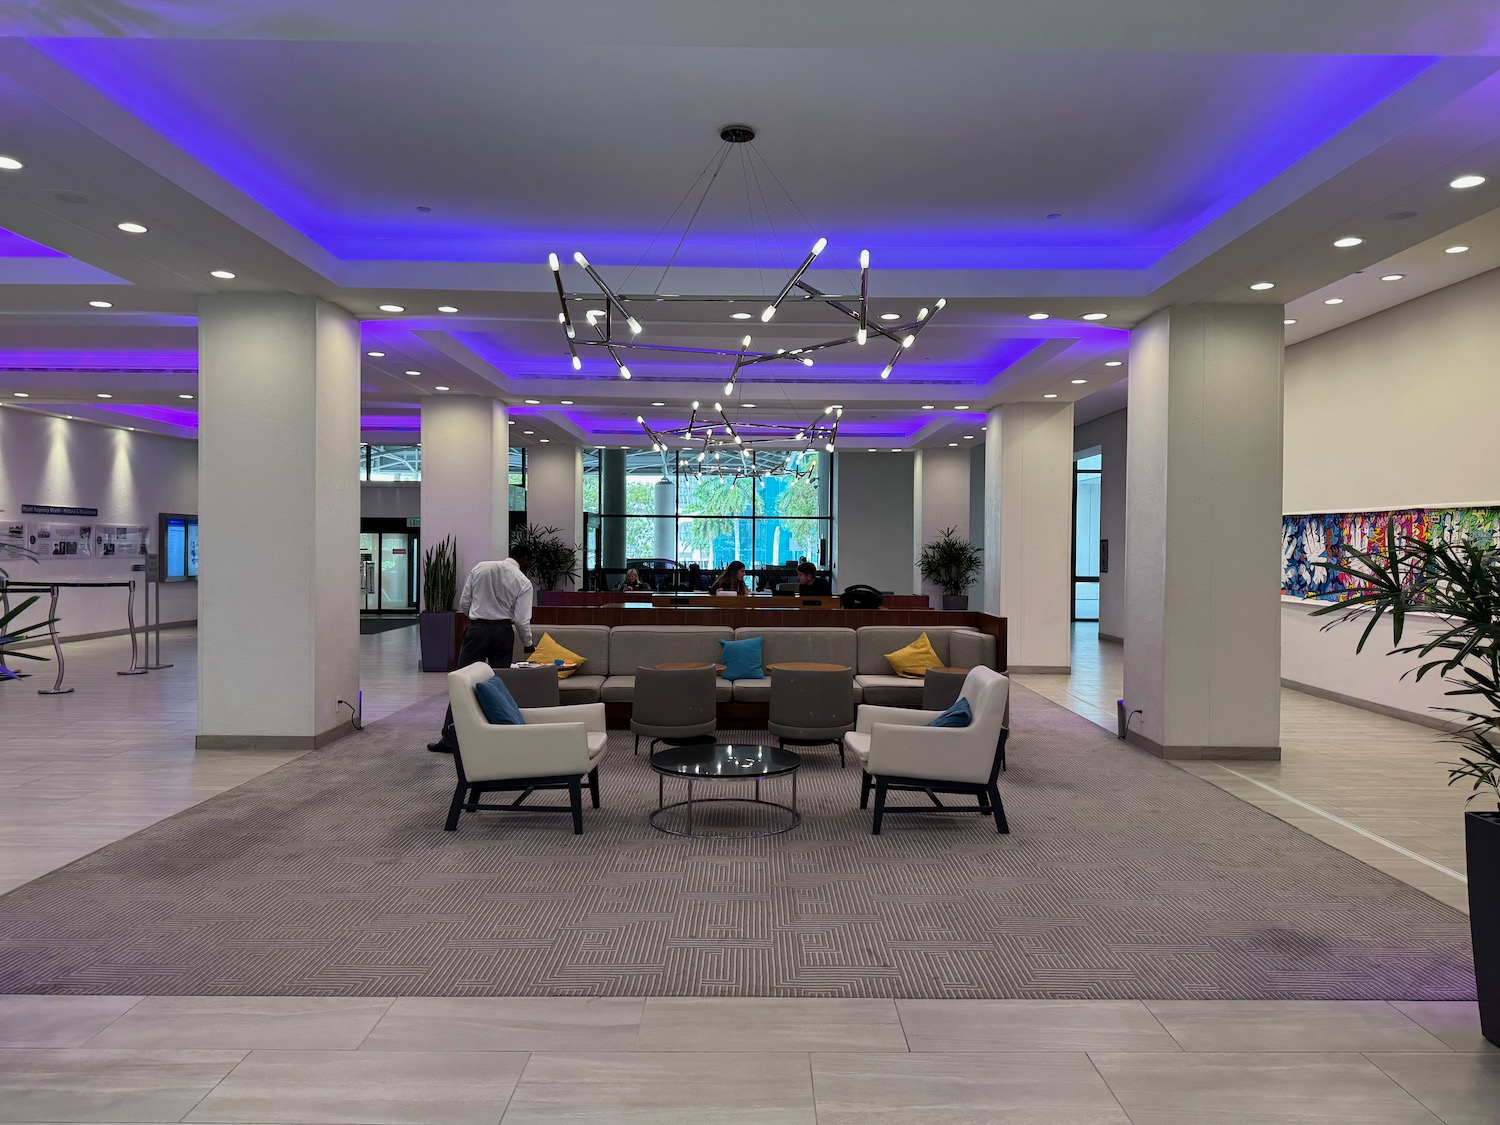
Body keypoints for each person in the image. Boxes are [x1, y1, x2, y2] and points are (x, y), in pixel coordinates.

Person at [426, 543, 536, 754]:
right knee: (498, 684)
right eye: (529, 561)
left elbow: (464, 603)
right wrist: (528, 643)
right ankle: (498, 735)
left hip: (477, 629)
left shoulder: (481, 567)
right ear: (524, 559)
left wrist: (478, 622)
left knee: (461, 682)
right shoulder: (523, 581)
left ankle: (450, 739)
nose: (529, 565)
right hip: (503, 632)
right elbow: (522, 620)